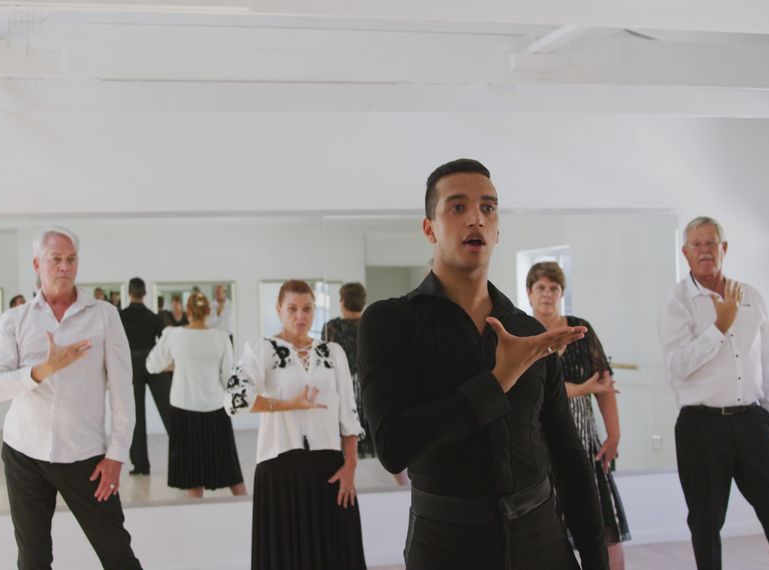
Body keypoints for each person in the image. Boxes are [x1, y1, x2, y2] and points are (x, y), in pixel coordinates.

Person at [358, 158, 607, 570]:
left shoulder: (527, 329)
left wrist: (597, 559)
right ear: (429, 228)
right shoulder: (390, 321)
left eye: (487, 208)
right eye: (457, 207)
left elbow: (569, 457)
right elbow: (393, 446)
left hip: (542, 539)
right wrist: (499, 379)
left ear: (497, 229)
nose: (475, 217)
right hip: (446, 544)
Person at [0, 227, 140, 569]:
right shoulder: (14, 320)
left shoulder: (103, 315)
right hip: (24, 453)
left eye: (71, 260)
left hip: (85, 457)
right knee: (33, 559)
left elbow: (122, 390)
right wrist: (45, 369)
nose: (64, 268)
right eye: (56, 260)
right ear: (37, 264)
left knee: (118, 554)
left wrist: (116, 455)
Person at [658, 216, 769, 570]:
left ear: (724, 248)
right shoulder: (677, 301)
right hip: (701, 426)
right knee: (706, 522)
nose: (705, 250)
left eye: (711, 243)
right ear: (685, 252)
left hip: (752, 421)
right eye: (697, 244)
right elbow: (678, 365)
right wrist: (719, 325)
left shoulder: (751, 296)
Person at [224, 279, 366, 570]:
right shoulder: (262, 349)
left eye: (307, 308)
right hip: (279, 468)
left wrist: (350, 463)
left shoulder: (333, 352)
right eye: (292, 309)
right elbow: (234, 399)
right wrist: (289, 405)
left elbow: (348, 413)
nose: (300, 316)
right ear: (278, 310)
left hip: (329, 468)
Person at [526, 261, 631, 570]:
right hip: (540, 446)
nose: (547, 294)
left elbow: (604, 383)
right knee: (546, 531)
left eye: (554, 288)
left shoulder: (580, 329)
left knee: (602, 525)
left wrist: (614, 435)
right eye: (541, 288)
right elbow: (532, 389)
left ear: (561, 293)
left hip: (585, 444)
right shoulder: (524, 332)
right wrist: (581, 388)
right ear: (529, 293)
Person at [147, 291, 246, 498]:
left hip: (184, 410)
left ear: (187, 311)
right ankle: (246, 509)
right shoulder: (221, 338)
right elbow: (228, 377)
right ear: (209, 311)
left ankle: (198, 517)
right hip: (216, 409)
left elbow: (152, 365)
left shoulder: (173, 335)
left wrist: (175, 365)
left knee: (192, 474)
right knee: (231, 470)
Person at [120, 276, 170, 476]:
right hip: (152, 363)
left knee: (136, 416)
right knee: (168, 412)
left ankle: (141, 465)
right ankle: (181, 457)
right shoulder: (153, 316)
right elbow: (165, 341)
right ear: (145, 293)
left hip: (131, 366)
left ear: (129, 293)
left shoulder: (121, 316)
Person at [322, 282, 375, 459]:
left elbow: (325, 363)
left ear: (342, 302)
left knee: (342, 442)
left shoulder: (332, 327)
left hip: (341, 388)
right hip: (368, 387)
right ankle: (403, 484)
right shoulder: (371, 324)